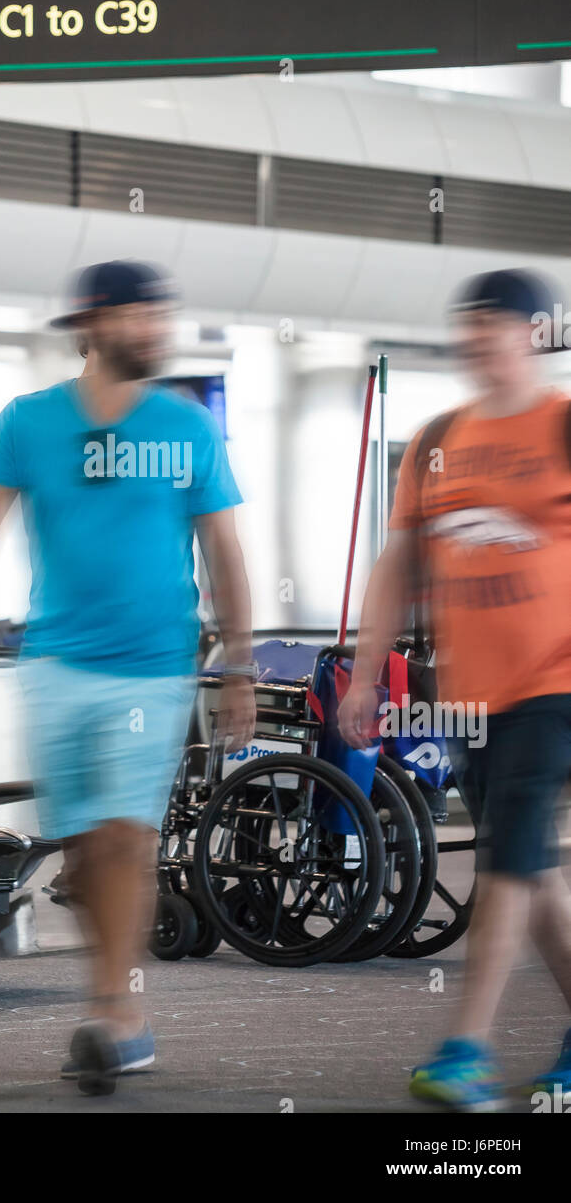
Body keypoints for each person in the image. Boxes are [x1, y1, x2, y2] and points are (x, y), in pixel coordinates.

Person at [0, 259, 255, 1095]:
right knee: (82, 854)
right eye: (139, 316)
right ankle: (113, 1004)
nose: (156, 330)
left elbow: (224, 547)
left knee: (125, 839)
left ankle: (117, 1014)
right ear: (92, 326)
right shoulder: (30, 423)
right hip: (58, 664)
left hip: (153, 665)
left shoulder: (185, 426)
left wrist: (241, 663)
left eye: (161, 316)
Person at [339, 268, 571, 1112]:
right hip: (470, 693)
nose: (477, 338)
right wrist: (365, 675)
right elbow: (396, 566)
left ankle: (467, 1046)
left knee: (508, 848)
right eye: (468, 324)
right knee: (532, 867)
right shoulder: (436, 437)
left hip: (557, 681)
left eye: (496, 324)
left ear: (537, 333)